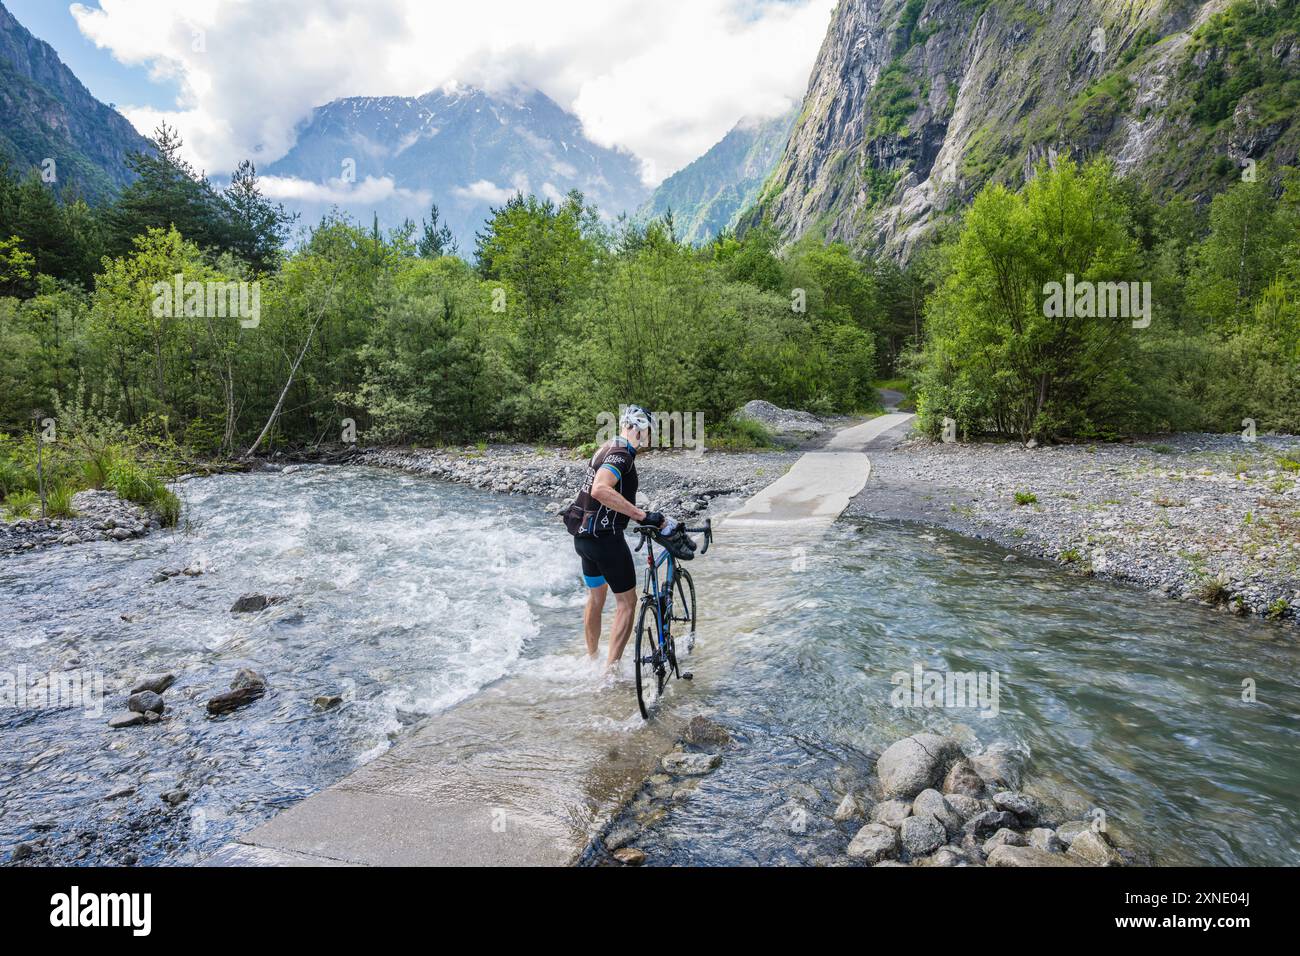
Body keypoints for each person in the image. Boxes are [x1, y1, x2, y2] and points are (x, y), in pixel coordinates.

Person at [565, 405, 678, 675]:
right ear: (641, 429)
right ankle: (609, 673)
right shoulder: (622, 454)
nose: (650, 437)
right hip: (605, 541)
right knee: (627, 603)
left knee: (596, 597)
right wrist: (641, 515)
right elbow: (600, 489)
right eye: (650, 431)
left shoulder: (605, 447)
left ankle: (592, 660)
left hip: (584, 539)